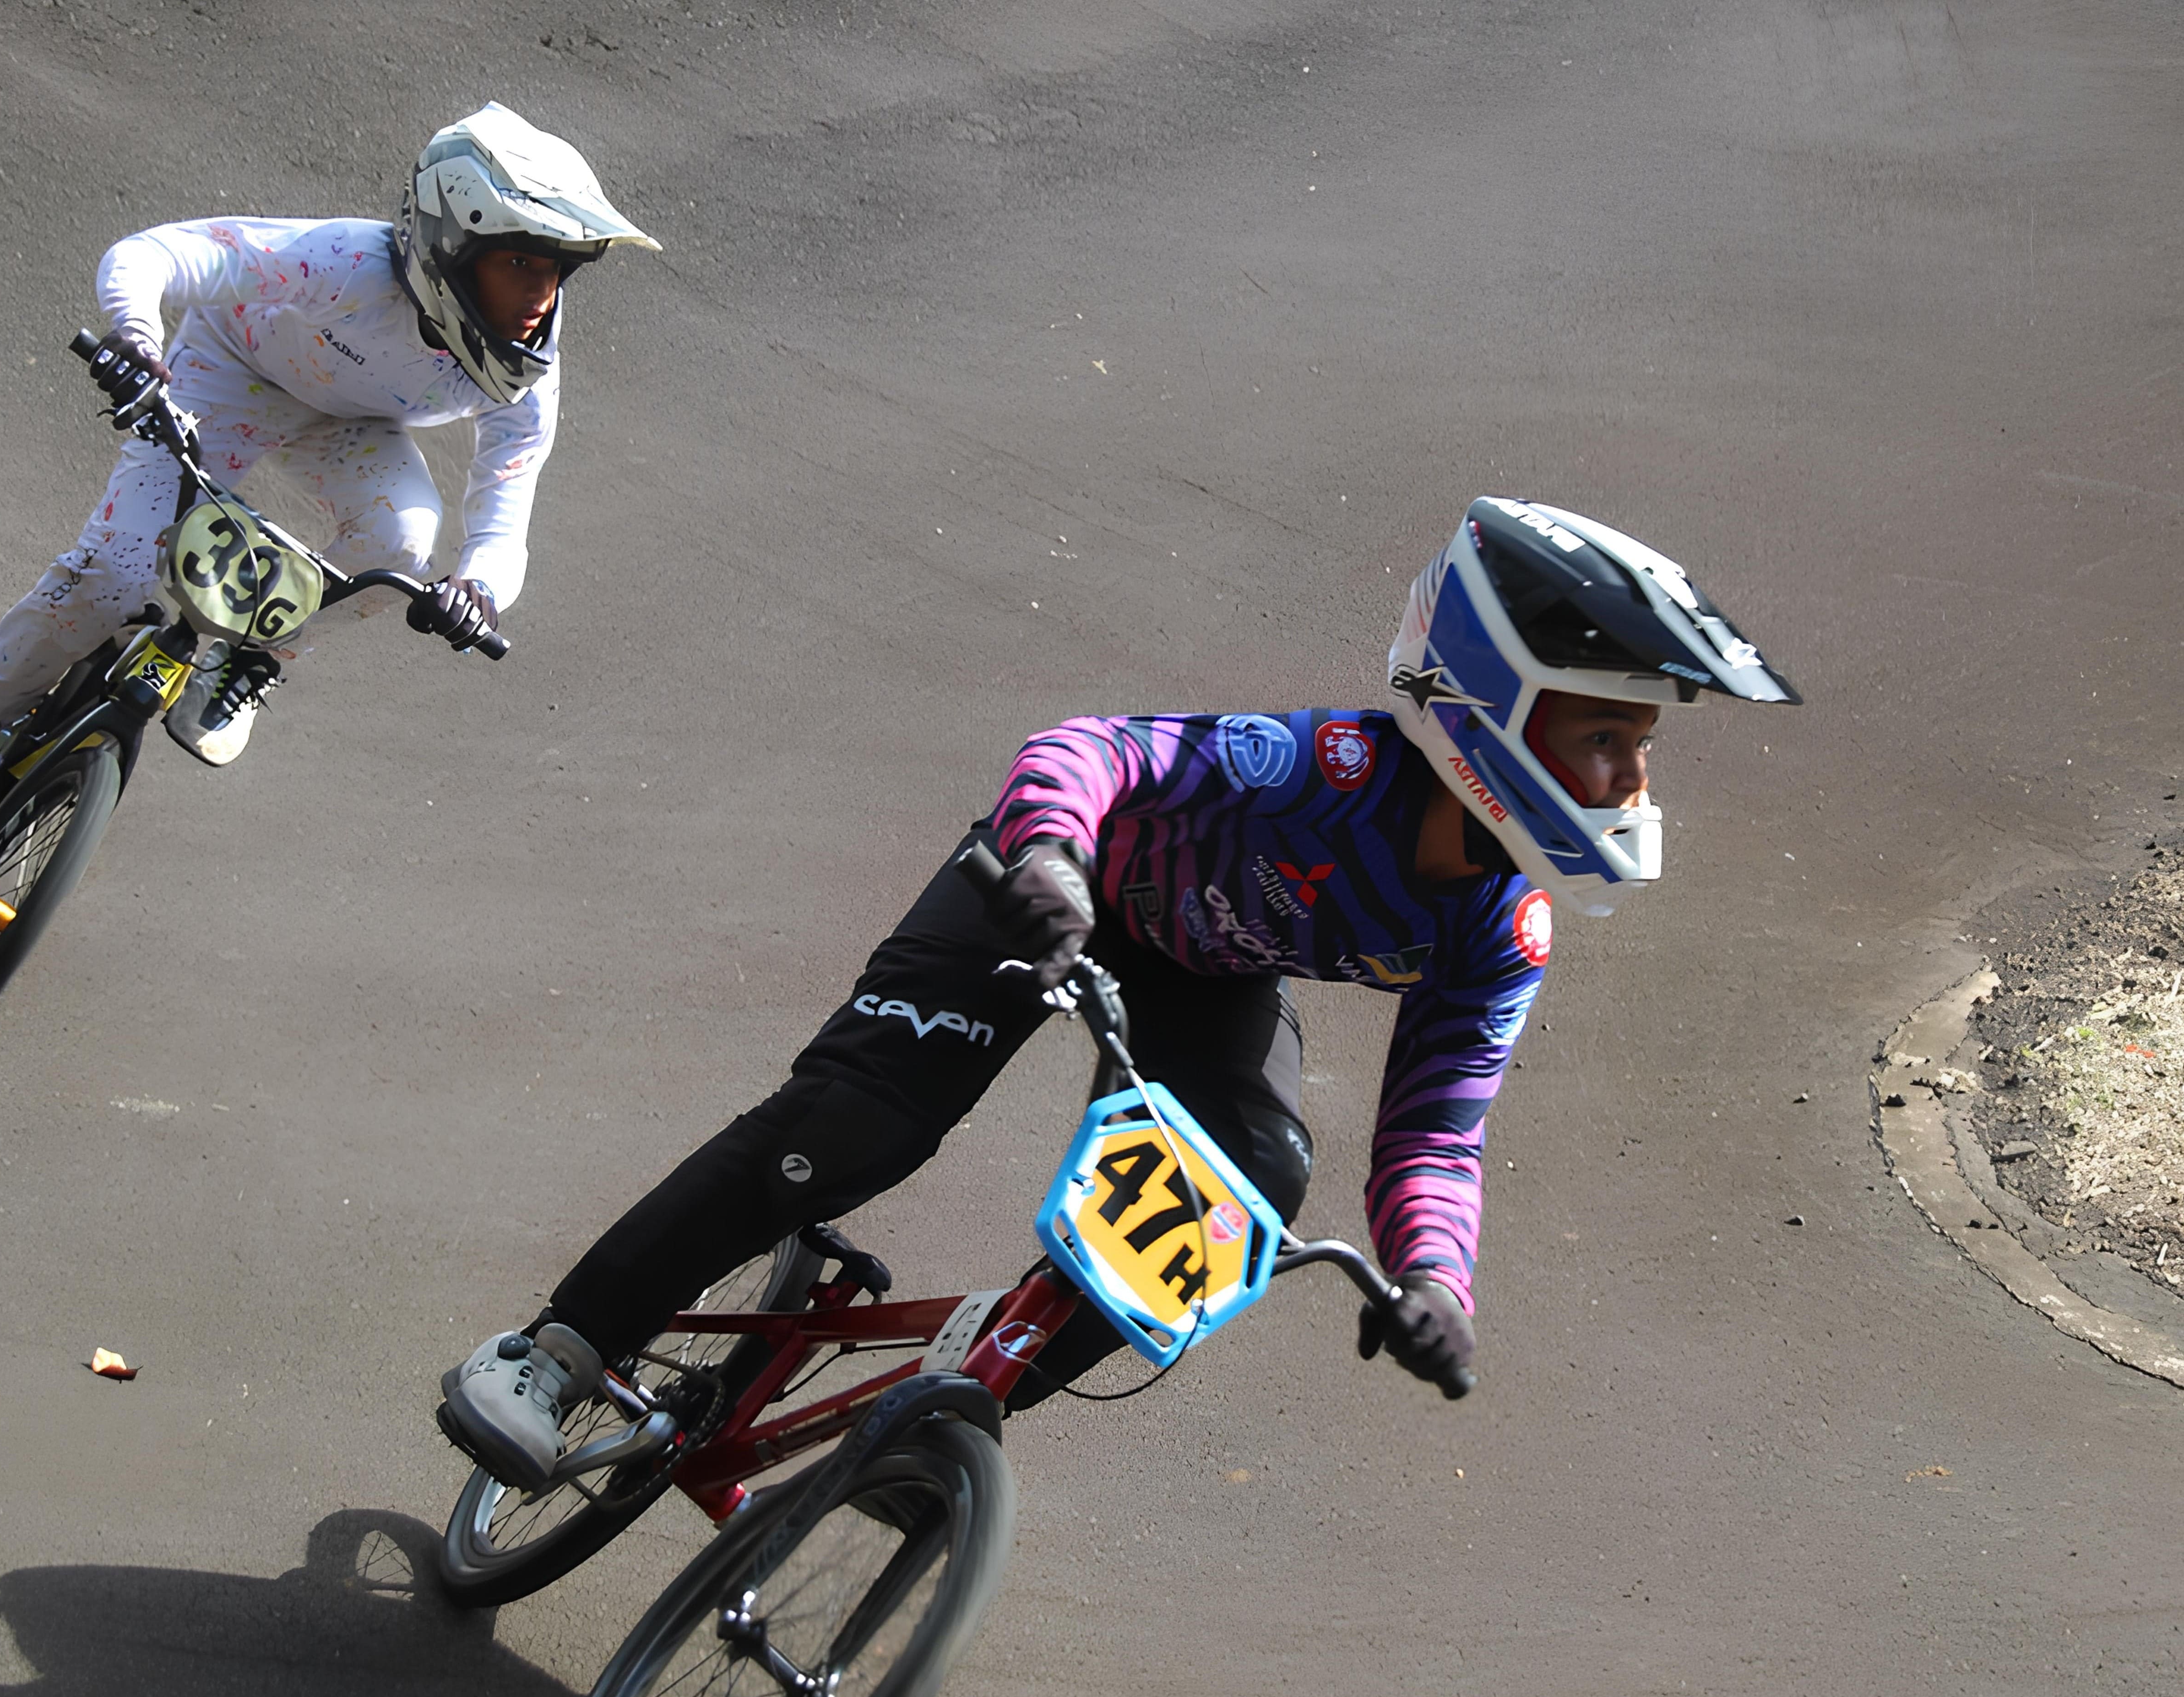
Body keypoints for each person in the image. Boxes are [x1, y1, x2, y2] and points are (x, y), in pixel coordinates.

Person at [438, 498, 1802, 1488]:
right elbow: (1093, 749)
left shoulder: (1507, 926)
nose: (1631, 779)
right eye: (1606, 735)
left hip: (1205, 968)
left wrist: (1437, 1276)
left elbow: (1437, 1134)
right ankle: (554, 1353)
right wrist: (1048, 854)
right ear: (1494, 703)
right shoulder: (1323, 770)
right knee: (859, 1125)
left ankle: (936, 1432)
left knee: (1248, 1188)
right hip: (1048, 891)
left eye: (1642, 744)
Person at [0, 103, 658, 830]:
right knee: (115, 574)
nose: (543, 296)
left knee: (405, 541)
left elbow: (508, 509)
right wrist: (136, 340)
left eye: (556, 269)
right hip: (232, 375)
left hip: (355, 425)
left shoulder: (528, 374)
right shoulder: (344, 263)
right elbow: (156, 255)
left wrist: (477, 589)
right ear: (452, 242)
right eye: (521, 263)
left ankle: (250, 656)